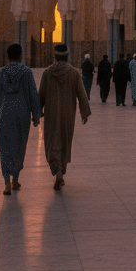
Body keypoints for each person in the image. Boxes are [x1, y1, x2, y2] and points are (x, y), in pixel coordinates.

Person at [38, 42, 91, 190]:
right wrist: (84, 112)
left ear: (55, 56)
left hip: (52, 114)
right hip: (68, 114)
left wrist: (37, 112)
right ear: (67, 56)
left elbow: (41, 95)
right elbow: (81, 93)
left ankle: (58, 172)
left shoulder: (47, 73)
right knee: (64, 142)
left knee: (51, 143)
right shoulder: (73, 73)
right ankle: (61, 171)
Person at [0, 43, 40, 195]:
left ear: (7, 56)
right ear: (20, 56)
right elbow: (33, 94)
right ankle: (15, 179)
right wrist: (36, 115)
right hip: (22, 114)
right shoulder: (26, 72)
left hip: (4, 114)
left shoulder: (0, 73)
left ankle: (6, 181)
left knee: (4, 147)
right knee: (19, 145)